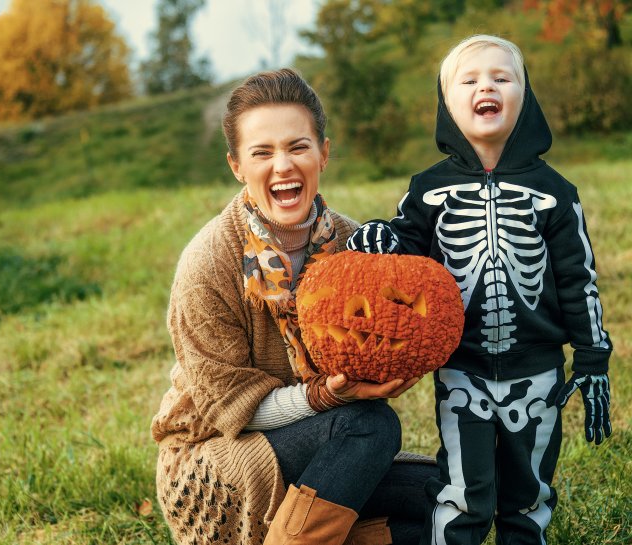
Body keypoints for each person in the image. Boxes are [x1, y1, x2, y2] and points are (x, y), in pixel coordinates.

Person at [151, 68, 438, 545]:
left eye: (297, 146)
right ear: (236, 166)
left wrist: (399, 363)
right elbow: (229, 409)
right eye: (262, 152)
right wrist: (326, 396)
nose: (282, 165)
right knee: (371, 426)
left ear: (323, 153)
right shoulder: (209, 262)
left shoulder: (353, 245)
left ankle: (297, 535)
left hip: (319, 455)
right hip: (219, 464)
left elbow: (394, 324)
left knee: (438, 500)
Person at [346, 35, 613, 544]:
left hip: (538, 371)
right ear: (447, 104)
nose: (485, 86)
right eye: (468, 80)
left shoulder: (555, 193)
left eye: (501, 77)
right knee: (461, 493)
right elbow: (406, 244)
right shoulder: (427, 188)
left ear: (524, 97)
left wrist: (593, 357)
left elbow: (580, 279)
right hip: (461, 371)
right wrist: (382, 236)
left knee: (528, 496)